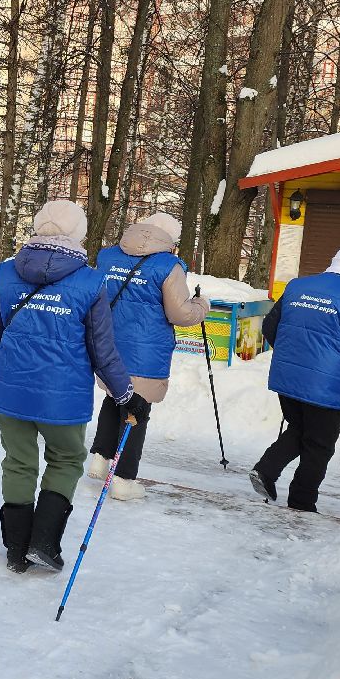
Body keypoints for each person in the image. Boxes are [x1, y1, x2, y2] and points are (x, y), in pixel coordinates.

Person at [0, 199, 150, 574]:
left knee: (18, 462)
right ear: (79, 234)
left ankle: (15, 549)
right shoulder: (90, 281)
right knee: (66, 459)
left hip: (11, 391)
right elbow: (102, 350)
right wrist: (126, 396)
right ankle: (43, 542)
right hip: (63, 396)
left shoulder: (7, 273)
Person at [249, 230, 340, 513]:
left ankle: (266, 470)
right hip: (328, 386)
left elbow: (270, 328)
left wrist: (295, 354)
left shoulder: (297, 286)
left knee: (301, 429)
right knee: (319, 445)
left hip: (287, 376)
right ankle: (302, 503)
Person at [85, 212, 210, 499]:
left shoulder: (108, 256)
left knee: (113, 396)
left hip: (108, 343)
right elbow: (179, 313)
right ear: (168, 238)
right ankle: (124, 479)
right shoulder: (168, 266)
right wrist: (202, 305)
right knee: (136, 409)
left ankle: (100, 458)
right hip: (146, 349)